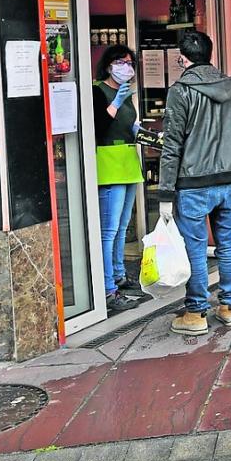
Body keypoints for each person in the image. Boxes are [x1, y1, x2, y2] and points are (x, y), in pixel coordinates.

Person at [158, 30, 231, 336]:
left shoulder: (180, 91)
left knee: (196, 249)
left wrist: (164, 192)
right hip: (228, 181)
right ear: (210, 54)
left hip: (192, 183)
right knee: (227, 243)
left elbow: (172, 144)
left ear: (182, 58)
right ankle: (229, 306)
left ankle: (196, 312)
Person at [92, 44, 150, 314]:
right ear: (108, 65)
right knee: (109, 230)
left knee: (123, 226)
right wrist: (113, 105)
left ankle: (118, 275)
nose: (126, 67)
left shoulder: (126, 94)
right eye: (120, 62)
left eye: (129, 63)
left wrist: (141, 131)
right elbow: (97, 127)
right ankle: (107, 289)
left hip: (128, 163)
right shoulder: (97, 91)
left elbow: (128, 125)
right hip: (108, 165)